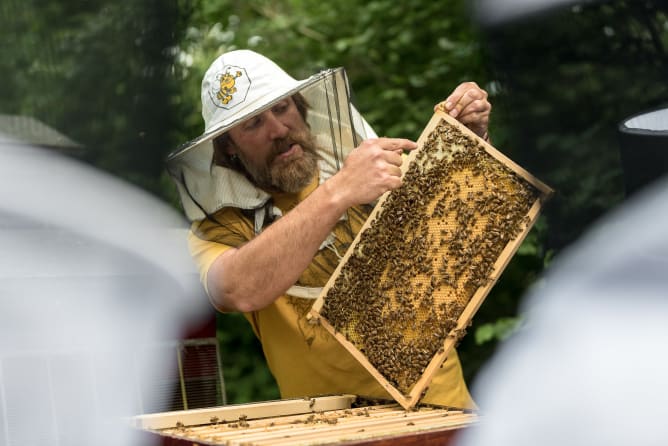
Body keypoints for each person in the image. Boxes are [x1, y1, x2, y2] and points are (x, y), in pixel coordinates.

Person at [167, 49, 491, 408]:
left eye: (282, 107)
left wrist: (470, 140)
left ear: (302, 108)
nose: (277, 129)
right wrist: (337, 192)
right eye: (253, 124)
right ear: (229, 147)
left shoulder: (375, 166)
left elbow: (469, 222)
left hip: (445, 412)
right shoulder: (220, 227)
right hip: (329, 427)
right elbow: (234, 289)